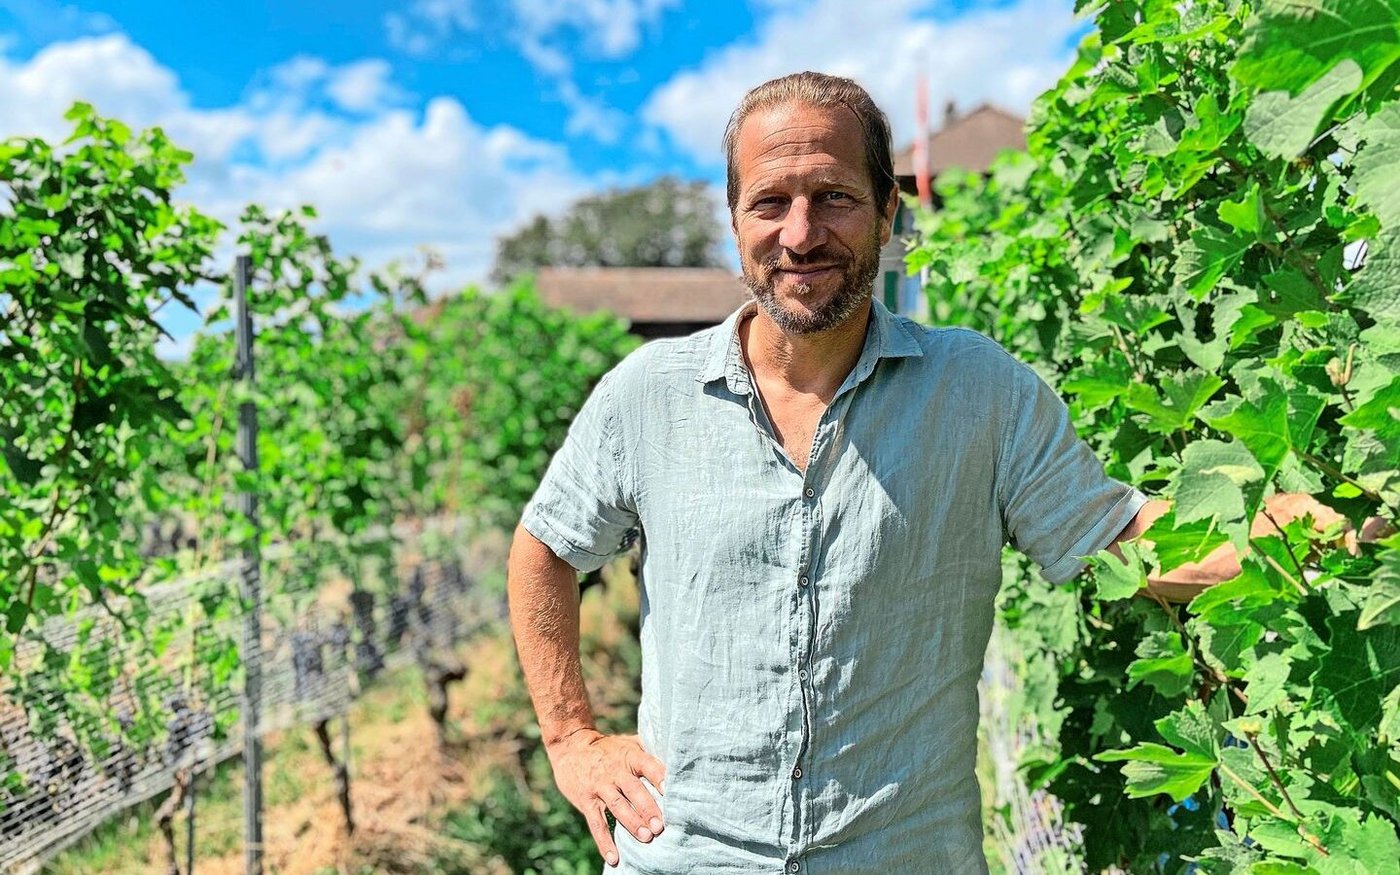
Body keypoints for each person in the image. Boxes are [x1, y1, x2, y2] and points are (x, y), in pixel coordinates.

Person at [506, 71, 1204, 873]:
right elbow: (544, 547)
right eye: (770, 202)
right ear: (735, 222)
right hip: (685, 853)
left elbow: (1116, 538)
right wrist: (571, 737)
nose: (801, 234)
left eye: (834, 197)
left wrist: (1293, 536)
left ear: (887, 211)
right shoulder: (649, 394)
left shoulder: (979, 392)